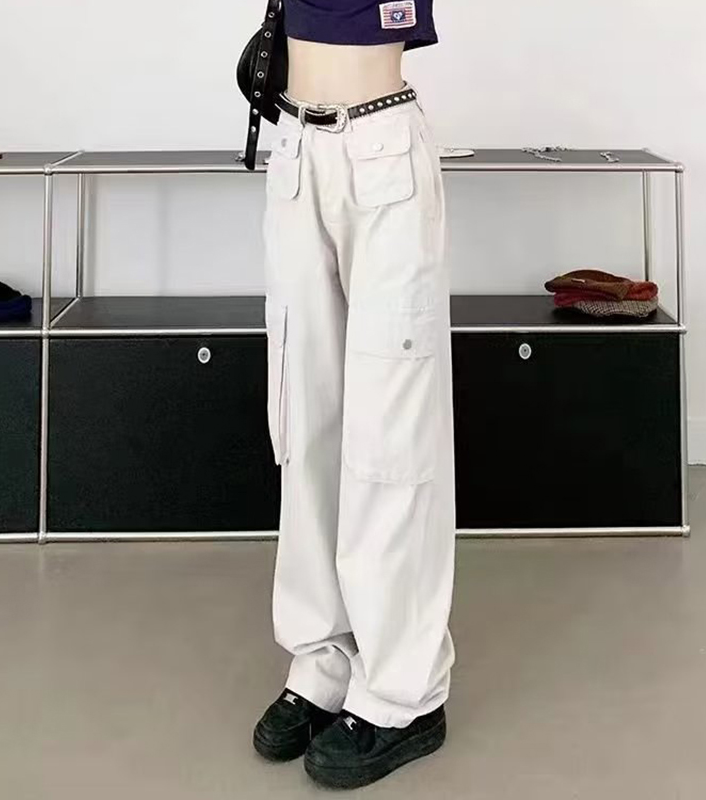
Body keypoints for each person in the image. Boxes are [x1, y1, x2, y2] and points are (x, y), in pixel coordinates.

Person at [253, 0, 455, 788]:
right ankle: (323, 659)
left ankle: (406, 691)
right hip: (298, 146)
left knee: (389, 439)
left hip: (381, 146)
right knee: (304, 422)